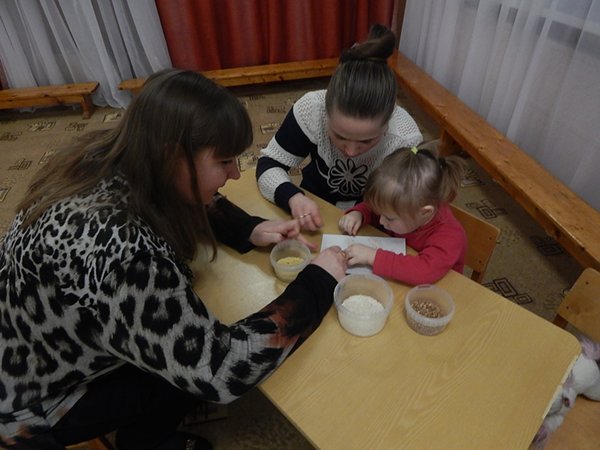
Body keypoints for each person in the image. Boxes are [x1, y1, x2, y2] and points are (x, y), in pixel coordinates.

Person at [0, 69, 347, 450]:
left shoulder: (107, 153)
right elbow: (219, 367)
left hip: (26, 340)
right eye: (224, 161)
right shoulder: (126, 258)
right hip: (33, 404)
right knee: (181, 371)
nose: (235, 173)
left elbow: (175, 193)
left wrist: (247, 228)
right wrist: (317, 283)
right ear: (171, 156)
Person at [255, 24, 423, 232]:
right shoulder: (312, 109)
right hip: (316, 207)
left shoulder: (405, 139)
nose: (350, 152)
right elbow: (269, 164)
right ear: (325, 112)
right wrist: (293, 197)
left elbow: (408, 202)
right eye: (339, 136)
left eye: (366, 141)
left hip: (375, 220)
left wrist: (363, 213)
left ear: (388, 122)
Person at [337, 145, 468, 285]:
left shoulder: (450, 236)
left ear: (425, 212)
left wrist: (372, 257)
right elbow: (379, 208)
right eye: (380, 214)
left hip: (438, 290)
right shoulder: (406, 210)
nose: (381, 221)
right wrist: (359, 213)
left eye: (389, 218)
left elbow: (423, 271)